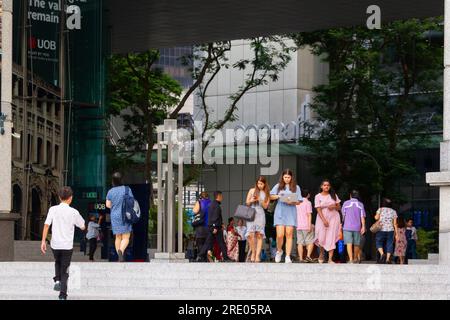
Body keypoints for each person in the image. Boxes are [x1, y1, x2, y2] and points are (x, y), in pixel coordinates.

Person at [40, 186, 85, 300]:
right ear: (71, 198)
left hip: (55, 244)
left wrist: (43, 241)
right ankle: (62, 295)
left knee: (57, 261)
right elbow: (83, 225)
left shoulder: (53, 209)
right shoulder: (74, 212)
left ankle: (57, 280)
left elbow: (46, 225)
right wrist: (83, 227)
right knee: (65, 269)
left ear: (59, 197)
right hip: (67, 245)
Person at [270, 169, 302, 263]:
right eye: (285, 177)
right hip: (280, 211)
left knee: (289, 234)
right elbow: (271, 196)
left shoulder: (296, 187)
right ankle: (279, 251)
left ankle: (287, 255)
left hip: (291, 211)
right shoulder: (278, 186)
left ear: (291, 177)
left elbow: (299, 201)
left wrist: (292, 201)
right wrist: (279, 196)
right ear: (282, 177)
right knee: (280, 235)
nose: (287, 179)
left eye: (288, 177)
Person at [106, 172, 133, 262]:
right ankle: (121, 250)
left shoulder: (110, 191)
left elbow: (108, 205)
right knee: (126, 237)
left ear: (113, 181)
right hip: (125, 215)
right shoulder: (127, 189)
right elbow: (132, 201)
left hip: (115, 216)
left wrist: (115, 206)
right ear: (122, 180)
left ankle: (119, 256)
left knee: (118, 237)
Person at [197, 191, 232, 262]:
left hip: (213, 227)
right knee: (221, 243)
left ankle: (200, 256)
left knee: (208, 243)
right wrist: (215, 227)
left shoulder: (211, 204)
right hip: (216, 228)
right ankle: (226, 258)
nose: (222, 198)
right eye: (221, 196)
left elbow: (214, 217)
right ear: (218, 196)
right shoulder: (216, 205)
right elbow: (214, 217)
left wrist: (221, 224)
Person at [314, 180, 341, 264]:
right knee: (321, 237)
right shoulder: (318, 196)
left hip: (334, 217)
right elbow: (318, 208)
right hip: (322, 218)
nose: (326, 187)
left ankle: (330, 258)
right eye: (324, 185)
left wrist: (334, 206)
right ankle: (321, 253)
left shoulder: (334, 195)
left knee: (331, 236)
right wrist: (324, 220)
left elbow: (339, 207)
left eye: (328, 185)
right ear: (321, 186)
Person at [246, 176, 270, 263]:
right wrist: (252, 200)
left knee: (259, 235)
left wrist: (260, 199)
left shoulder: (266, 193)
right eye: (258, 183)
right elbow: (247, 203)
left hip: (260, 214)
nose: (259, 185)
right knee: (251, 235)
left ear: (264, 184)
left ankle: (257, 255)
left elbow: (266, 206)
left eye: (261, 184)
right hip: (251, 213)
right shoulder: (252, 190)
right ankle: (253, 252)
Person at [341, 190, 366, 264]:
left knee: (349, 243)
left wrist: (341, 224)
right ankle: (355, 258)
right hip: (357, 227)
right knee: (356, 243)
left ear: (350, 195)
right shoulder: (360, 204)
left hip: (347, 226)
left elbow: (343, 215)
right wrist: (363, 226)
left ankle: (351, 259)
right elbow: (362, 217)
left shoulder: (346, 203)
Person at [375, 198, 398, 264]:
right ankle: (388, 259)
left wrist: (377, 215)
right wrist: (396, 234)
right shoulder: (393, 211)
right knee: (389, 244)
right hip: (390, 230)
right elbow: (395, 223)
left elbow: (376, 218)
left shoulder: (380, 209)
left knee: (378, 242)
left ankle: (382, 254)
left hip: (381, 229)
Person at [296, 189, 315, 263]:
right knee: (310, 242)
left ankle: (300, 258)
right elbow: (309, 214)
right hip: (306, 225)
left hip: (298, 225)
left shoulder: (297, 203)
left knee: (300, 242)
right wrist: (310, 225)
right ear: (308, 195)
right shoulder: (308, 202)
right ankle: (308, 256)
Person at [192, 192, 211, 258]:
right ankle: (205, 258)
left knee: (200, 243)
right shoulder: (211, 203)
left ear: (200, 197)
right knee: (207, 244)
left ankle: (200, 258)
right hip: (209, 227)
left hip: (200, 227)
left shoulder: (199, 202)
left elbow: (194, 211)